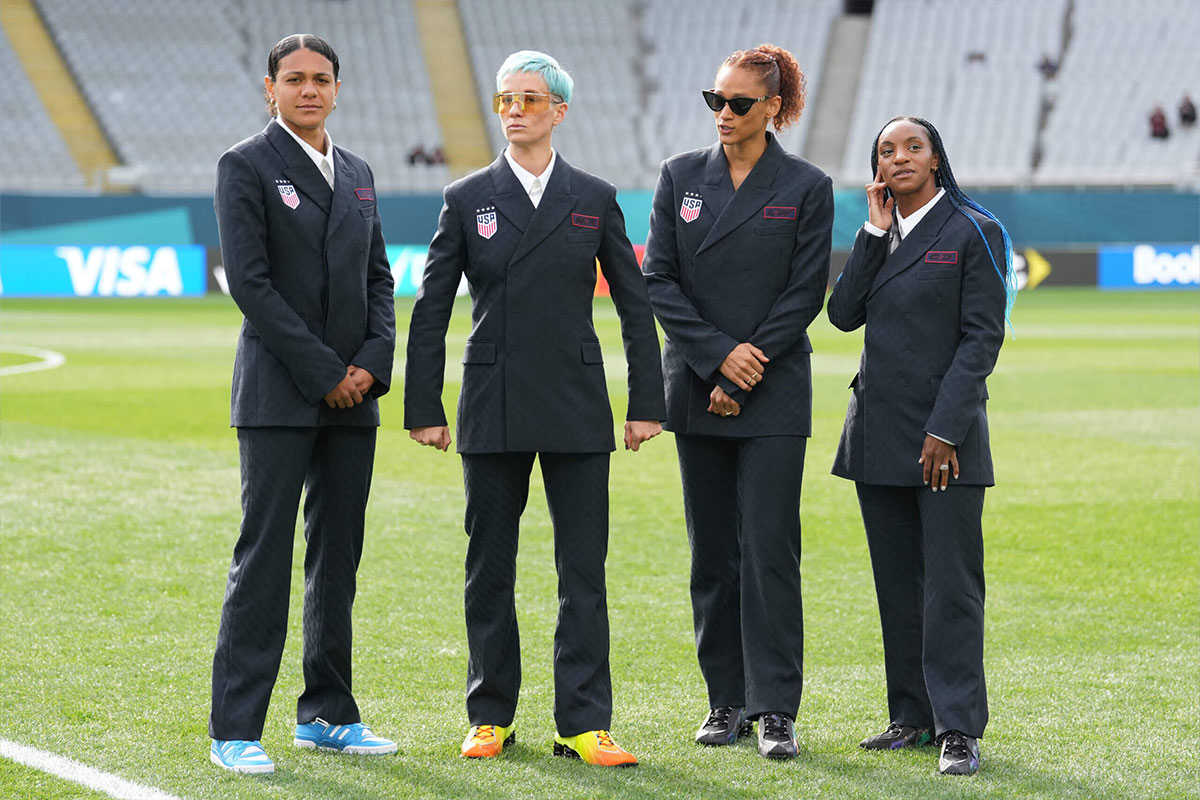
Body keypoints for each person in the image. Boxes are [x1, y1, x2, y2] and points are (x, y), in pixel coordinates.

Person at [404, 50, 665, 768]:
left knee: (584, 570)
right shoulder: (465, 198)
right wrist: (423, 404)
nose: (515, 110)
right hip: (492, 402)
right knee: (489, 567)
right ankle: (490, 714)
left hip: (578, 402)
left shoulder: (595, 195)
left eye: (529, 99)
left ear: (559, 111)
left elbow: (635, 305)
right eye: (505, 100)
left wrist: (647, 401)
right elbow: (430, 311)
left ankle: (585, 723)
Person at [208, 33, 397, 775]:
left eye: (321, 79)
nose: (309, 90)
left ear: (338, 89)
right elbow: (250, 284)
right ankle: (234, 728)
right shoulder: (245, 165)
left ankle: (326, 713)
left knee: (337, 559)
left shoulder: (356, 172)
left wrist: (370, 366)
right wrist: (326, 371)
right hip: (281, 393)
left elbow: (380, 281)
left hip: (354, 396)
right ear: (270, 89)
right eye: (295, 79)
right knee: (264, 554)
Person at [641, 44, 833, 760]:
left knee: (770, 553)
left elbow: (804, 291)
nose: (724, 113)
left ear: (774, 109)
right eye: (714, 100)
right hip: (696, 387)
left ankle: (776, 708)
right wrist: (717, 357)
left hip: (774, 390)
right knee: (712, 553)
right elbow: (659, 280)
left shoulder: (808, 185)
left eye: (740, 103)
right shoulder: (678, 177)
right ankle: (725, 702)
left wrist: (746, 365)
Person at [826, 115, 1015, 777]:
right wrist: (872, 234)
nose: (899, 157)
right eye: (887, 150)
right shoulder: (881, 234)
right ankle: (910, 714)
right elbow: (843, 313)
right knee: (897, 587)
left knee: (952, 590)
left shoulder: (975, 229)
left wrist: (945, 430)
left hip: (948, 443)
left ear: (936, 160)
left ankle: (958, 727)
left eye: (913, 147)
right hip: (877, 435)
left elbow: (980, 340)